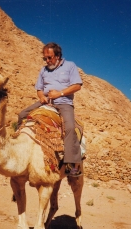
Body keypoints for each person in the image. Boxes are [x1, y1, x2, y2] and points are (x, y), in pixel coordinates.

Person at [18, 42, 82, 176]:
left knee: (70, 127)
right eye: (45, 58)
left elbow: (77, 85)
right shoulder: (43, 70)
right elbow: (39, 89)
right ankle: (20, 153)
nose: (47, 61)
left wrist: (60, 93)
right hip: (46, 102)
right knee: (22, 114)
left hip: (64, 102)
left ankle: (71, 165)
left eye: (50, 58)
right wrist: (41, 96)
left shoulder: (70, 66)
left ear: (58, 56)